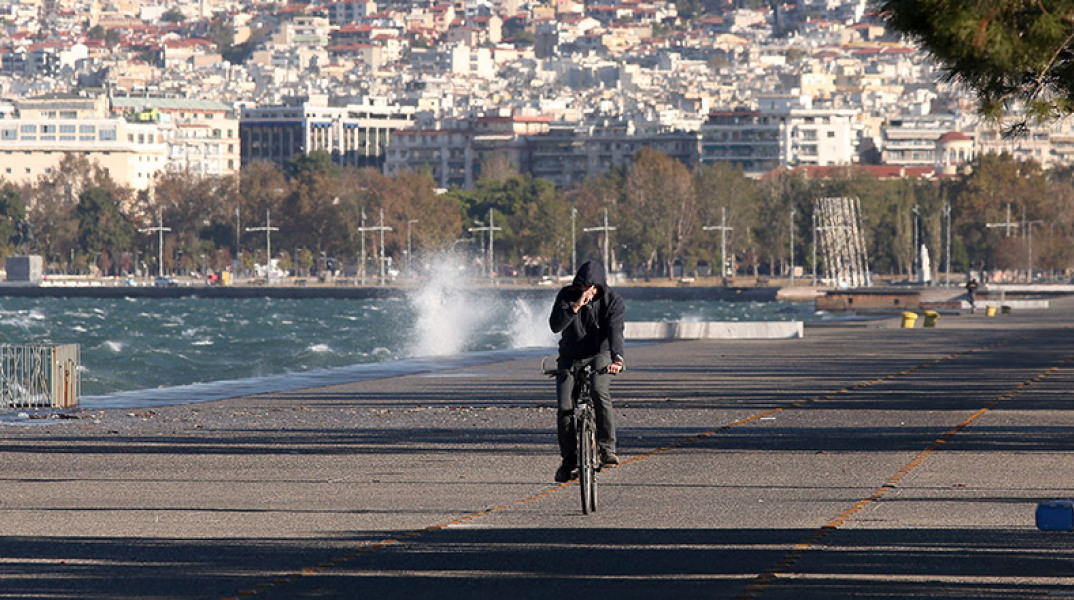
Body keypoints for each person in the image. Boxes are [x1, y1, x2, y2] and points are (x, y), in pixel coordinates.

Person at [548, 260, 626, 483]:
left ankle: (607, 448)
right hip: (570, 356)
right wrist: (575, 307)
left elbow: (615, 332)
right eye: (583, 287)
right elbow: (555, 326)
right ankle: (569, 459)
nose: (587, 292)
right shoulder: (566, 295)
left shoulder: (613, 301)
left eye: (592, 288)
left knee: (599, 392)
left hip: (598, 355)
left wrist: (617, 359)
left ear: (599, 286)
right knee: (565, 407)